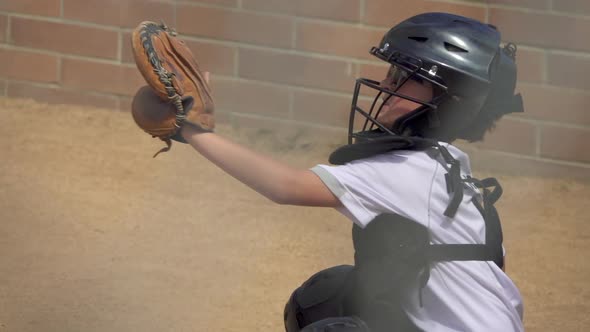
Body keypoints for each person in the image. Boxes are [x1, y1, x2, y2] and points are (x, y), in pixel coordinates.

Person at [178, 12, 524, 332]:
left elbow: (285, 186)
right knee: (331, 294)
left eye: (404, 77)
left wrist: (193, 132)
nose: (387, 83)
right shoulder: (453, 171)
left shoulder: (407, 170)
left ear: (451, 100)